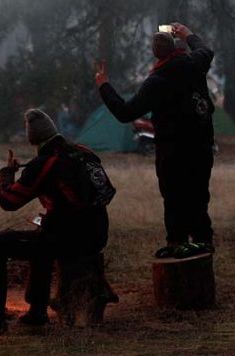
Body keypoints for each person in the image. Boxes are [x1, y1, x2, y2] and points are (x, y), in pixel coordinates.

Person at [0, 109, 115, 332]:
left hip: (73, 239)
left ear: (32, 138)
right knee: (42, 237)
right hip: (98, 234)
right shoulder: (84, 151)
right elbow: (103, 191)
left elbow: (9, 200)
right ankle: (37, 313)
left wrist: (5, 174)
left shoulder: (45, 163)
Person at [94, 22, 215, 259]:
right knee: (199, 197)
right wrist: (189, 34)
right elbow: (206, 51)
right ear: (175, 46)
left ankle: (176, 243)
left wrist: (104, 85)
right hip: (201, 147)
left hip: (173, 152)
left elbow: (125, 112)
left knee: (173, 198)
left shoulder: (156, 82)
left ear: (155, 54)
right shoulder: (194, 64)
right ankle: (203, 243)